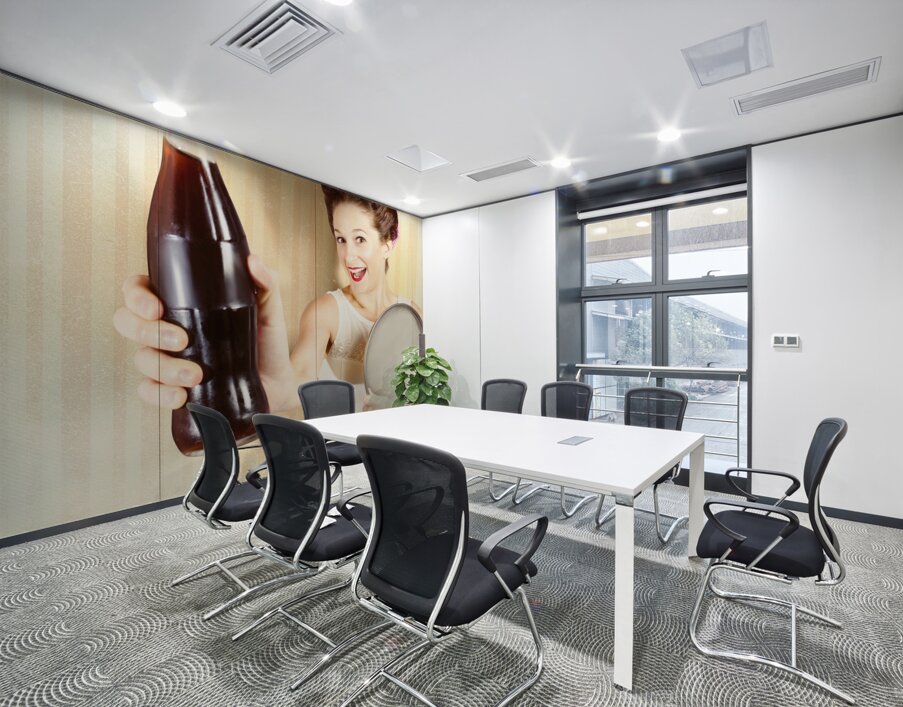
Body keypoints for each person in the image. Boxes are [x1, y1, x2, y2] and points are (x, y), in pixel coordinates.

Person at [113, 185, 419, 414]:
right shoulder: (327, 311)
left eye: (360, 239)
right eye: (341, 239)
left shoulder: (412, 313)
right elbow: (292, 386)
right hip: (353, 439)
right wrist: (258, 386)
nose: (348, 256)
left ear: (389, 242)